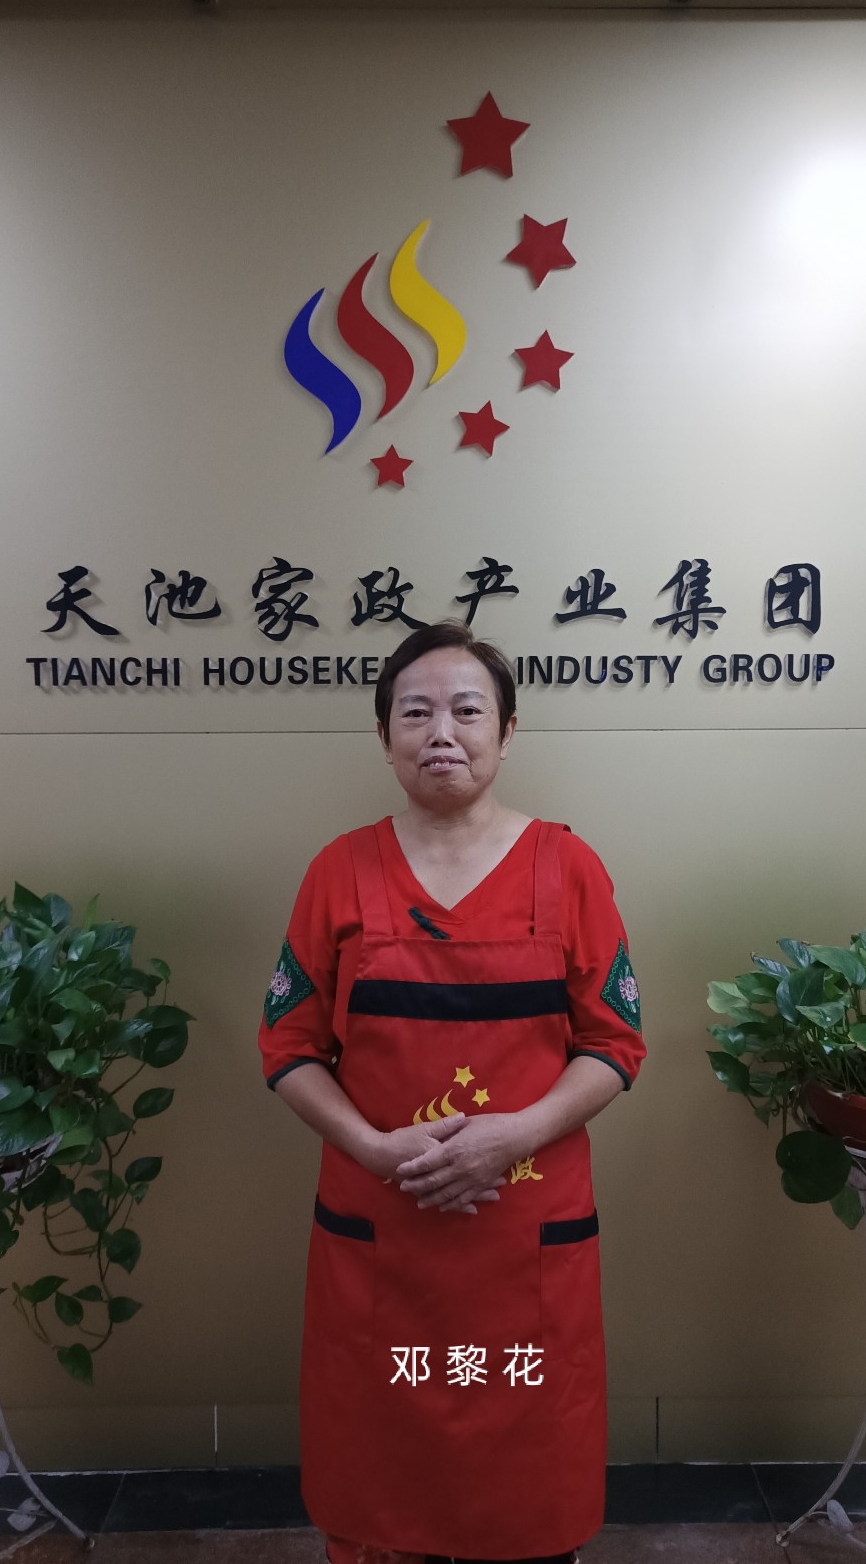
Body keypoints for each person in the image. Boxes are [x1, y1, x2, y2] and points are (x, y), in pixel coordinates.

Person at [259, 621, 647, 1564]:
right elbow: (288, 1045)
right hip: (380, 1235)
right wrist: (372, 1147)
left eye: (467, 711)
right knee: (378, 1479)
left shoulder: (569, 868)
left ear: (506, 733)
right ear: (384, 736)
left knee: (528, 1478)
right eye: (415, 712)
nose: (442, 731)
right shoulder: (338, 871)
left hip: (526, 1240)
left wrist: (516, 1136)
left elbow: (614, 1043)